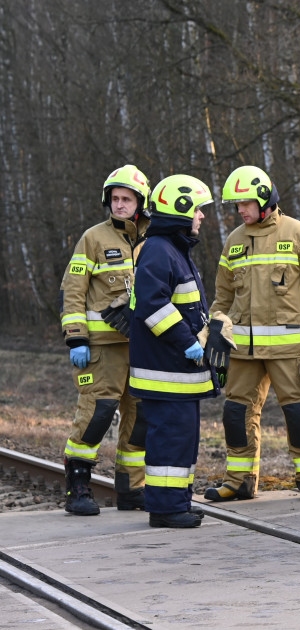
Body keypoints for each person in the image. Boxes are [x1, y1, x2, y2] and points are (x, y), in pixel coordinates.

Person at [204, 165, 300, 503]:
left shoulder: (298, 233)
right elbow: (223, 298)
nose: (240, 210)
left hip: (289, 350)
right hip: (242, 352)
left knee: (299, 413)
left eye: (245, 203)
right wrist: (215, 329)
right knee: (236, 415)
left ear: (265, 200)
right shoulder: (234, 241)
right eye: (236, 204)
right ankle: (238, 481)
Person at [58, 165, 151, 515]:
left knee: (139, 418)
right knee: (97, 414)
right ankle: (78, 488)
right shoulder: (93, 239)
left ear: (140, 202)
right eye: (115, 199)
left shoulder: (154, 240)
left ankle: (131, 489)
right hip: (101, 350)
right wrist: (76, 338)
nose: (120, 205)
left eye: (126, 199)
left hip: (142, 348)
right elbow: (72, 291)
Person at [128, 173, 218, 528]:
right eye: (198, 209)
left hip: (178, 374)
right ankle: (165, 510)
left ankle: (175, 502)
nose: (202, 216)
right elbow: (153, 306)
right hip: (167, 373)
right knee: (169, 441)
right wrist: (189, 343)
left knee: (181, 442)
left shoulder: (172, 249)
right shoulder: (159, 251)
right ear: (181, 210)